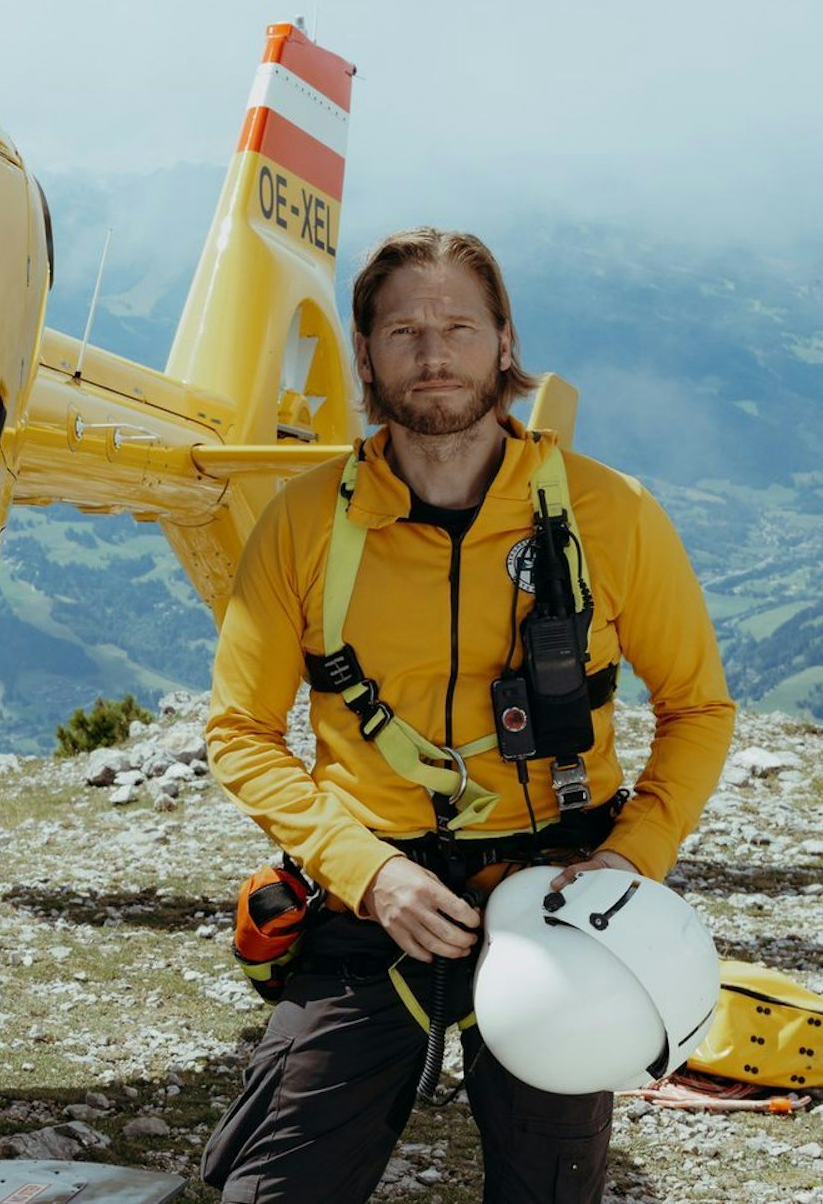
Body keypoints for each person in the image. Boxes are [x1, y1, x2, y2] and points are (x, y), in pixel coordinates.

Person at [201, 227, 736, 1204]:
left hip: (558, 894)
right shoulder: (304, 523)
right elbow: (237, 729)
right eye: (402, 330)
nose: (432, 352)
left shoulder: (609, 515)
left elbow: (696, 705)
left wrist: (628, 861)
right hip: (372, 903)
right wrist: (367, 872)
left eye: (456, 326)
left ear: (502, 343)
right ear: (364, 356)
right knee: (268, 1191)